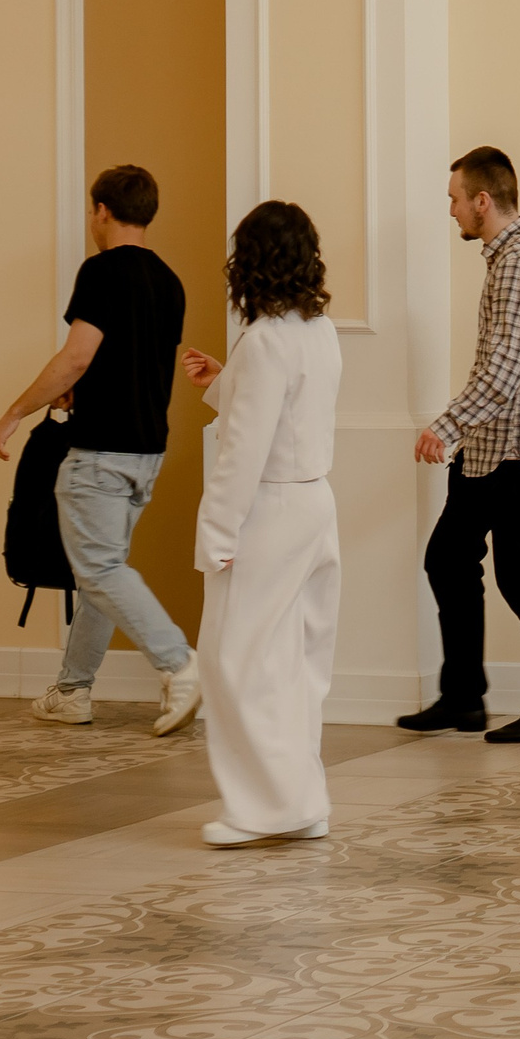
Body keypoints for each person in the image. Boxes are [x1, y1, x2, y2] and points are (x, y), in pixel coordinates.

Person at [0, 164, 200, 738]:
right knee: (99, 574)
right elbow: (131, 362)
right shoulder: (169, 281)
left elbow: (77, 357)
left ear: (101, 211)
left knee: (101, 570)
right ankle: (72, 691)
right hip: (146, 451)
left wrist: (12, 414)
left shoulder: (101, 271)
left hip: (100, 451)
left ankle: (178, 663)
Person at [402, 147, 520, 743]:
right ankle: (463, 699)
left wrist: (445, 426)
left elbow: (505, 368)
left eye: (455, 199)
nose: (451, 210)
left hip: (518, 448)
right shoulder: (506, 259)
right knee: (449, 559)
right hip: (489, 447)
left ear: (483, 200)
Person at [181, 202, 343, 847]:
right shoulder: (316, 330)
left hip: (268, 513)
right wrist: (227, 379)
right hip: (314, 506)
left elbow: (244, 451)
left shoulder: (267, 338)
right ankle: (303, 801)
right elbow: (288, 409)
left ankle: (262, 809)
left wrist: (215, 535)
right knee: (297, 663)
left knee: (235, 661)